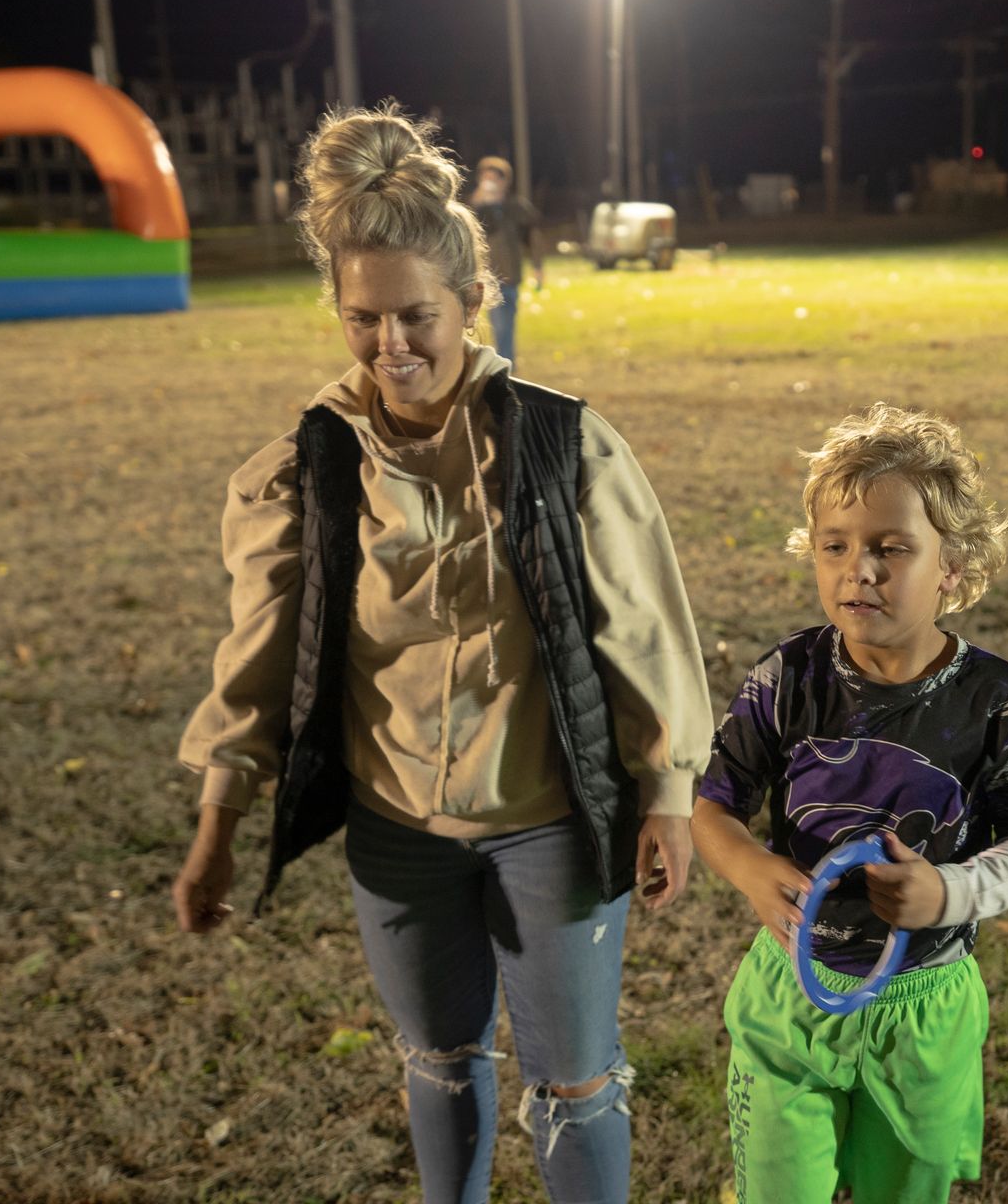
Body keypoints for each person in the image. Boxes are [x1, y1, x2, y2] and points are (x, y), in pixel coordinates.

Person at [170, 102, 710, 1204]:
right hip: (397, 831)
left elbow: (643, 625)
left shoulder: (564, 442)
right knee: (439, 1060)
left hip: (551, 823)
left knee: (575, 1082)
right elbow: (259, 658)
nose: (391, 344)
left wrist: (667, 793)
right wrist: (218, 823)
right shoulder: (305, 467)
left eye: (417, 315)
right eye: (363, 319)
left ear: (476, 297)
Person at [691, 404, 1008, 1204]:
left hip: (925, 1010)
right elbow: (711, 802)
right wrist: (754, 870)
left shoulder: (997, 701)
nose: (858, 570)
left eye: (891, 549)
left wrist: (949, 892)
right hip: (792, 995)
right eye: (837, 547)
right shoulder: (788, 678)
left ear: (952, 569)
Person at [470, 155, 544, 368]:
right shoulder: (475, 208)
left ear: (504, 181)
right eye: (485, 178)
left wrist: (538, 268)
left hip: (508, 275)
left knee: (504, 325)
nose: (489, 183)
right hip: (481, 276)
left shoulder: (515, 207)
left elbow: (533, 237)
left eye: (494, 178)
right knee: (485, 326)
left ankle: (506, 366)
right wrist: (478, 203)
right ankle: (503, 365)